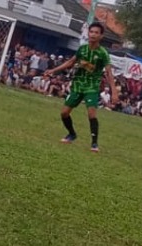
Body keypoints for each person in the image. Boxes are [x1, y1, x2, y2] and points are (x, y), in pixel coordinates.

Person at [47, 22, 118, 152]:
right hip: (78, 85)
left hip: (92, 86)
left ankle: (94, 143)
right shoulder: (82, 49)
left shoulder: (103, 53)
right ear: (88, 33)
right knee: (64, 113)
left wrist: (114, 91)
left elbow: (108, 72)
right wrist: (53, 70)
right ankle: (71, 134)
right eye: (91, 32)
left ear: (101, 36)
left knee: (91, 114)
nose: (93, 34)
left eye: (96, 32)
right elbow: (71, 62)